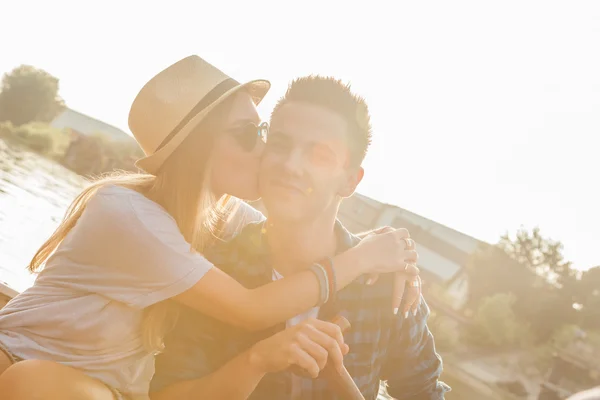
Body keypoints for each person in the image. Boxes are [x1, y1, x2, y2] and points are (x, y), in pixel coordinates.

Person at [0, 56, 421, 400]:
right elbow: (250, 308)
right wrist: (363, 258)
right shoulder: (127, 213)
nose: (267, 150)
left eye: (263, 132)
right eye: (249, 134)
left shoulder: (227, 218)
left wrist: (392, 254)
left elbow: (305, 226)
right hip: (21, 369)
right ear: (197, 148)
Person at [150, 76, 450, 400]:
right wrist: (256, 361)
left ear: (350, 181)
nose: (291, 166)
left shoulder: (388, 285)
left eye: (319, 155)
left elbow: (425, 392)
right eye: (280, 144)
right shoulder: (216, 267)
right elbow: (169, 393)